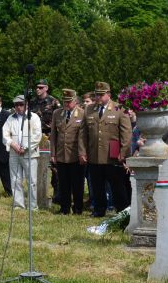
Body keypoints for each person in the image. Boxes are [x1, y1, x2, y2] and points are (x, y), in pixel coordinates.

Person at [80, 81, 132, 217]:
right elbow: (83, 133)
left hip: (113, 156)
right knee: (97, 185)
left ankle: (122, 211)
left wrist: (123, 153)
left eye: (101, 95)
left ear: (108, 94)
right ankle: (99, 210)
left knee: (117, 186)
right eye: (96, 94)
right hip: (94, 155)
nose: (98, 97)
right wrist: (82, 151)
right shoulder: (89, 109)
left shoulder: (119, 109)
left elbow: (126, 134)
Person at [2, 95, 42, 209]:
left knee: (32, 181)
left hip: (29, 153)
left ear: (27, 105)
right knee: (15, 179)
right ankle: (18, 204)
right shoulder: (11, 118)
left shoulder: (33, 117)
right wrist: (12, 144)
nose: (19, 107)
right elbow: (4, 133)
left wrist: (25, 147)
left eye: (21, 104)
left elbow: (37, 136)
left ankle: (33, 206)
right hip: (14, 153)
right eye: (16, 105)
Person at [50, 89, 86, 214]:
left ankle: (77, 208)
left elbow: (83, 136)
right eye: (64, 101)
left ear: (75, 101)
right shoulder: (57, 113)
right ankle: (64, 208)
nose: (66, 104)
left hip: (76, 154)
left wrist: (83, 153)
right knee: (63, 183)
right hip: (61, 154)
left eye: (69, 101)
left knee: (77, 184)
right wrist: (53, 154)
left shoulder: (82, 113)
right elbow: (53, 135)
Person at [30, 79, 61, 202]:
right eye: (37, 87)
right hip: (35, 137)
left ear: (46, 88)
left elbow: (59, 118)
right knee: (36, 165)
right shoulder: (32, 102)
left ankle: (57, 193)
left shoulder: (53, 102)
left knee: (54, 167)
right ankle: (38, 192)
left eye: (41, 87)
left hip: (50, 137)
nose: (38, 89)